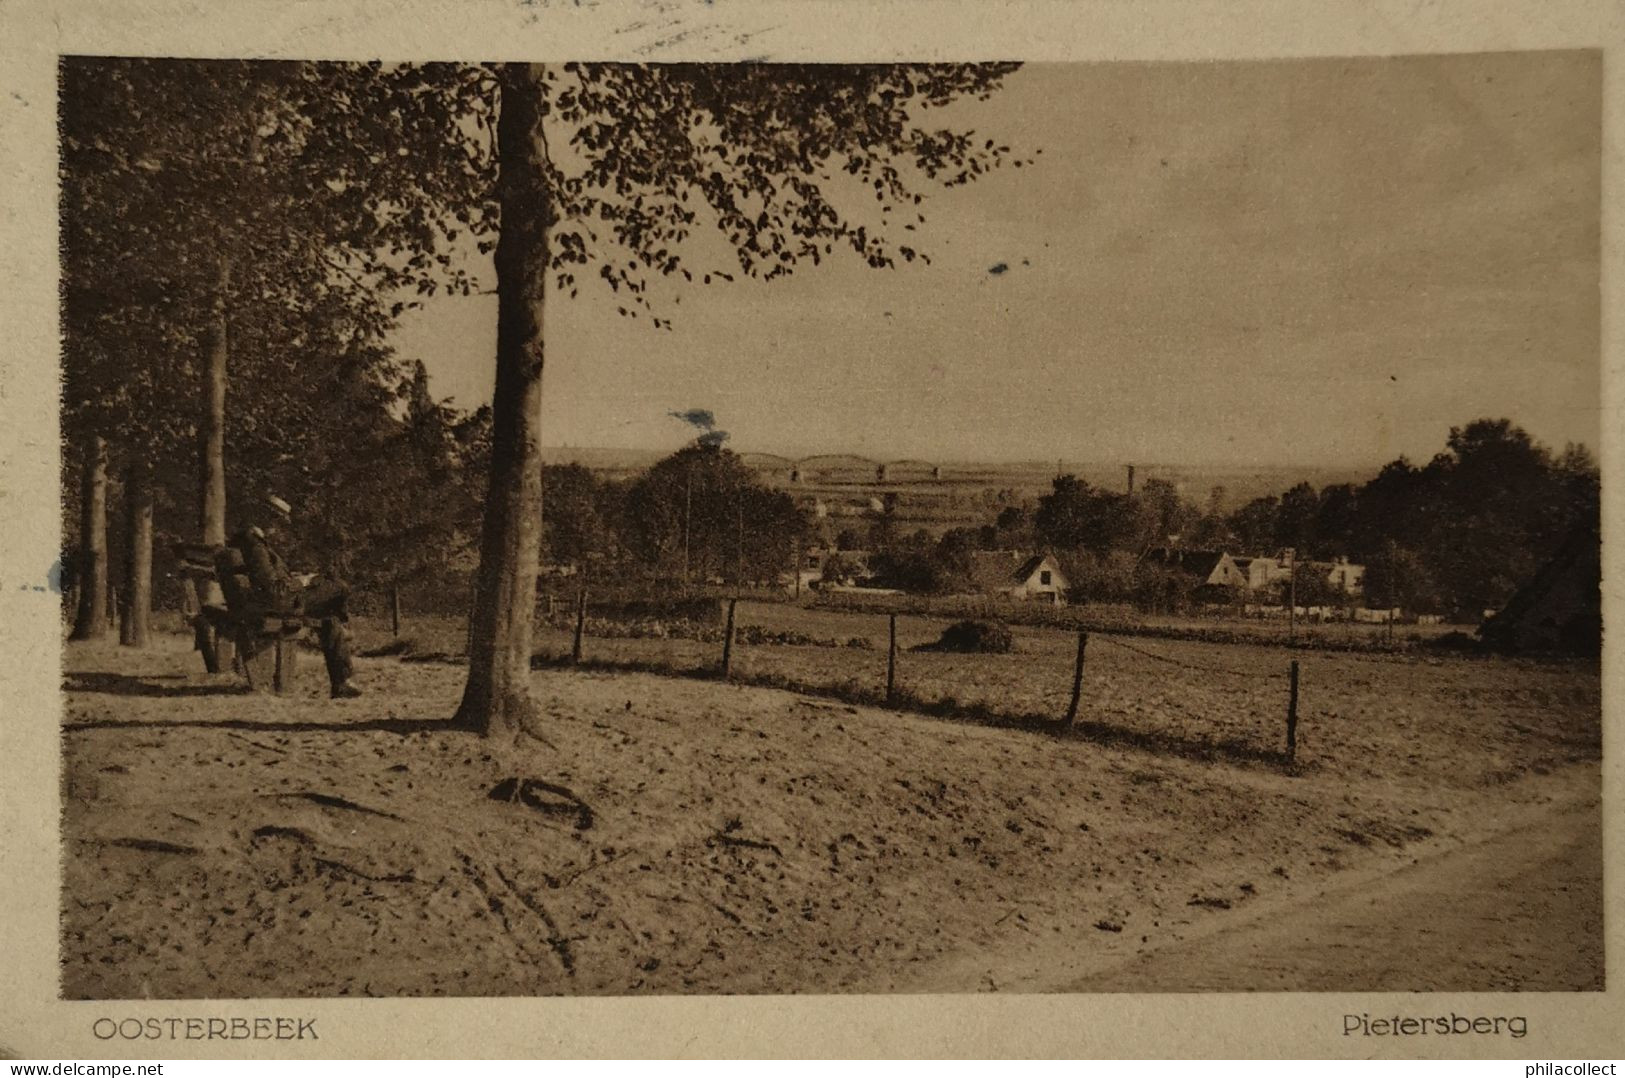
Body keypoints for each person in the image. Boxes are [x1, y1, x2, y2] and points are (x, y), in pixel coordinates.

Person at [224, 494, 362, 699]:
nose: (278, 528)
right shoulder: (255, 547)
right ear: (266, 519)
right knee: (339, 587)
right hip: (281, 604)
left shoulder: (251, 542)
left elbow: (269, 580)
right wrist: (302, 582)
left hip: (273, 601)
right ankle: (345, 630)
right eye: (277, 522)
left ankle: (341, 681)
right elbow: (273, 590)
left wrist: (293, 578)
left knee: (329, 615)